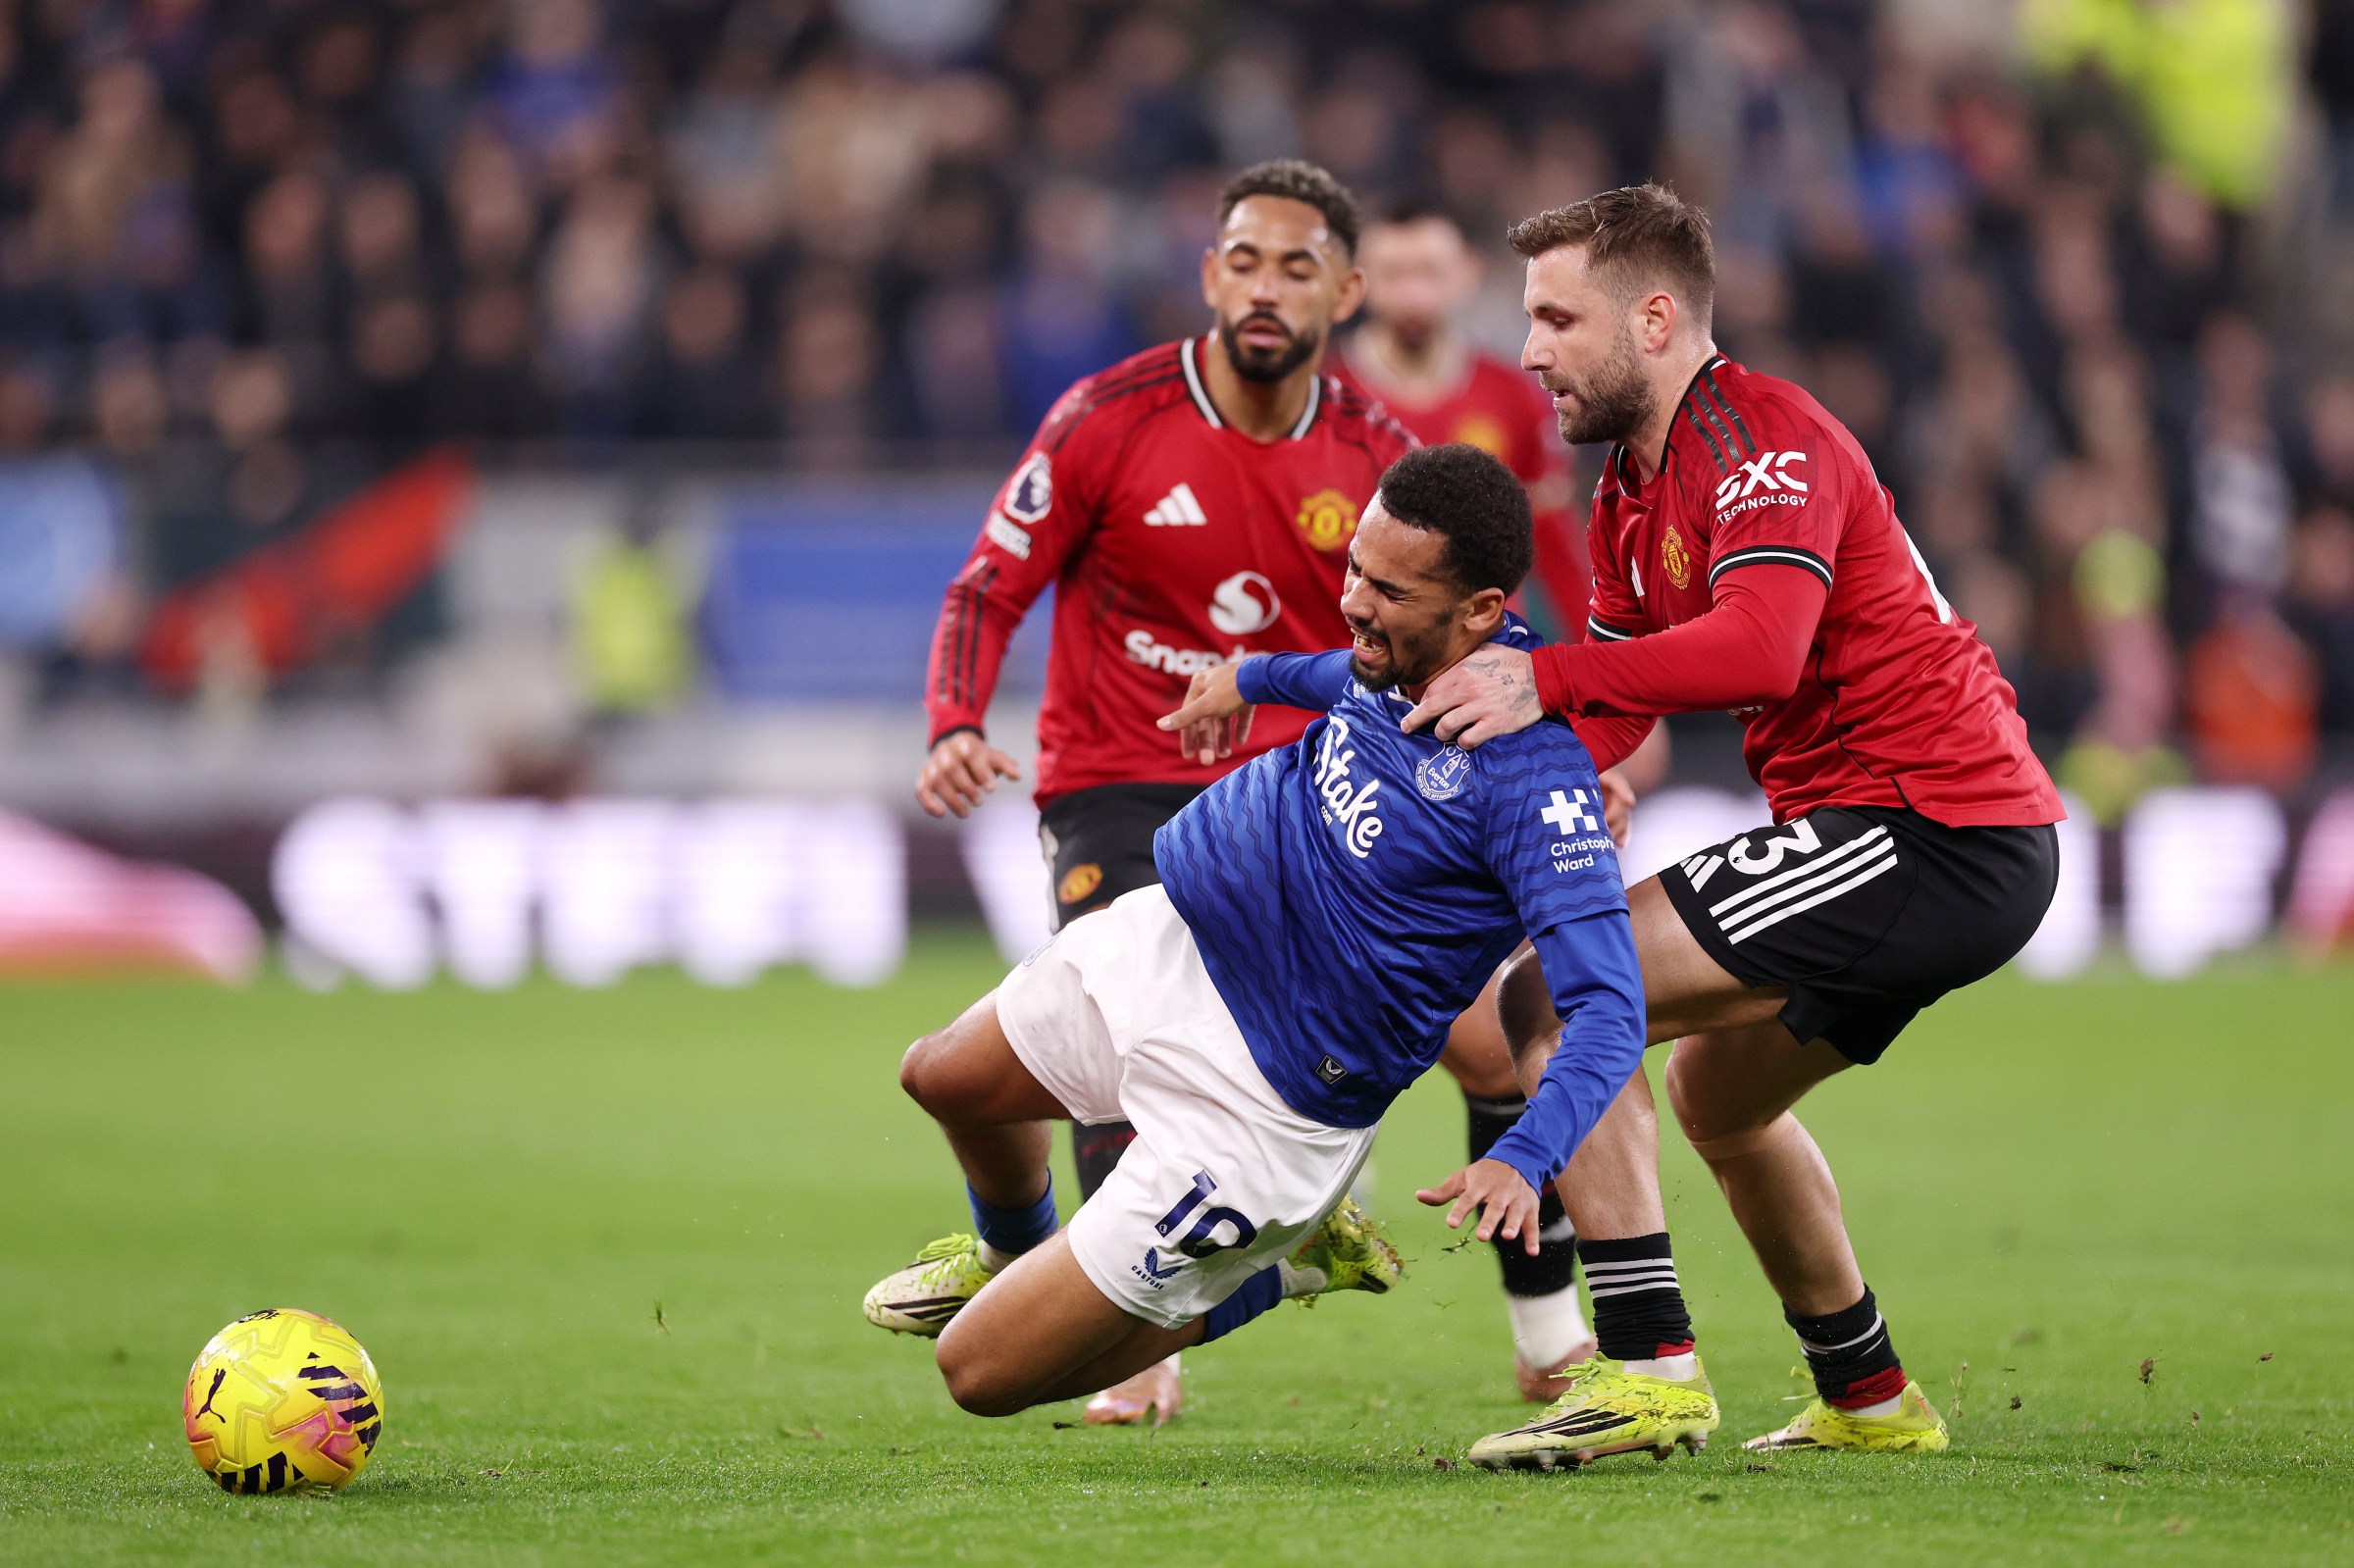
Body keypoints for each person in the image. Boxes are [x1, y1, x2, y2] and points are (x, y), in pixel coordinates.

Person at [1392, 185, 2064, 1466]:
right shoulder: (1626, 495)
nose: (1528, 350)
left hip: (1931, 819)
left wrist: (1554, 685)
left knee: (1561, 1000)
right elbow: (1614, 685)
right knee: (1718, 1093)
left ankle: (1647, 1372)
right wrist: (1536, 770)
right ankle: (1868, 1395)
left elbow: (1760, 645)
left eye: (1553, 318)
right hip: (1902, 829)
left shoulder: (1765, 435)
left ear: (1653, 317)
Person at [867, 444, 1649, 1430]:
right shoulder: (1396, 654)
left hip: (1260, 1101)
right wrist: (1253, 674)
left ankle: (1285, 1269)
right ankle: (1014, 1253)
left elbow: (1611, 1013)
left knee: (978, 1373)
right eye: (1355, 569)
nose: (1355, 601)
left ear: (1483, 611)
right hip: (1172, 944)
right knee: (938, 1076)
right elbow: (1339, 675)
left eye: (1388, 588)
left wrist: (1527, 1155)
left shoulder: (1535, 777)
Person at [1339, 196, 1671, 1398]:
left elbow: (1555, 562)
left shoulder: (1513, 397)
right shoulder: (1330, 409)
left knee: (1497, 1043)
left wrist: (1598, 726)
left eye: (1436, 263)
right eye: (1396, 265)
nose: (1416, 284)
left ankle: (1543, 1342)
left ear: (1458, 271)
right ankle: (1320, 1184)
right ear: (1363, 280)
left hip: (1485, 734)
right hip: (1349, 733)